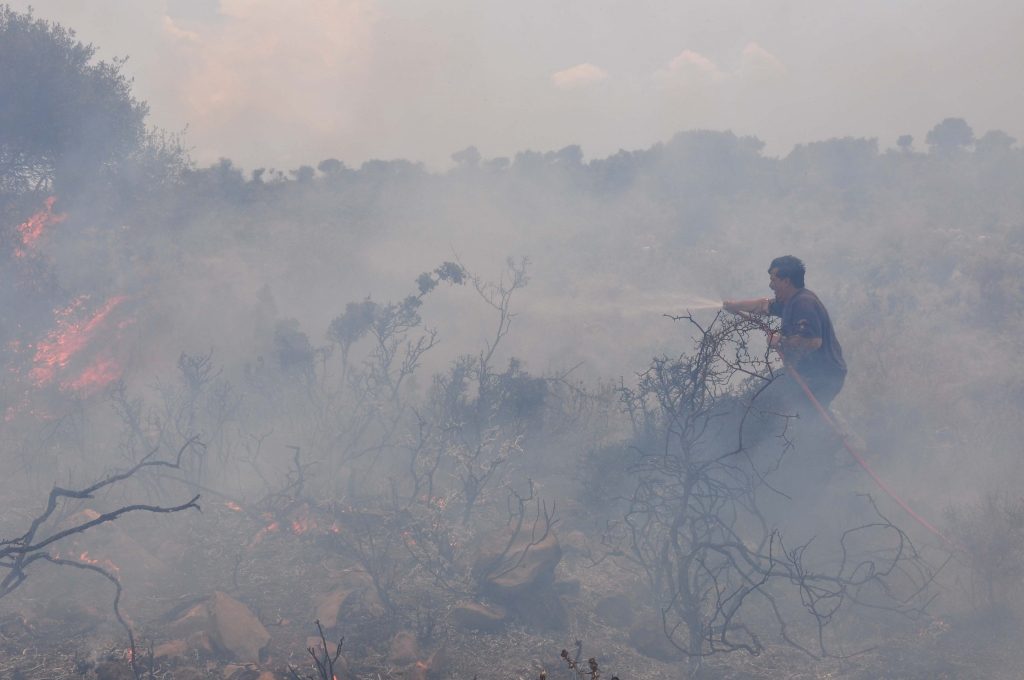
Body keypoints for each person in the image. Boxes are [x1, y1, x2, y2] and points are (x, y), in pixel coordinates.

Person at [723, 255, 846, 408]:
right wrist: (735, 306)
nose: (770, 285)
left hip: (822, 376)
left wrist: (780, 341)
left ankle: (829, 429)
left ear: (786, 281)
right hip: (807, 371)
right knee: (768, 396)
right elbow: (762, 306)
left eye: (773, 280)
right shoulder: (789, 301)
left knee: (799, 412)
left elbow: (813, 341)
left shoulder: (803, 303)